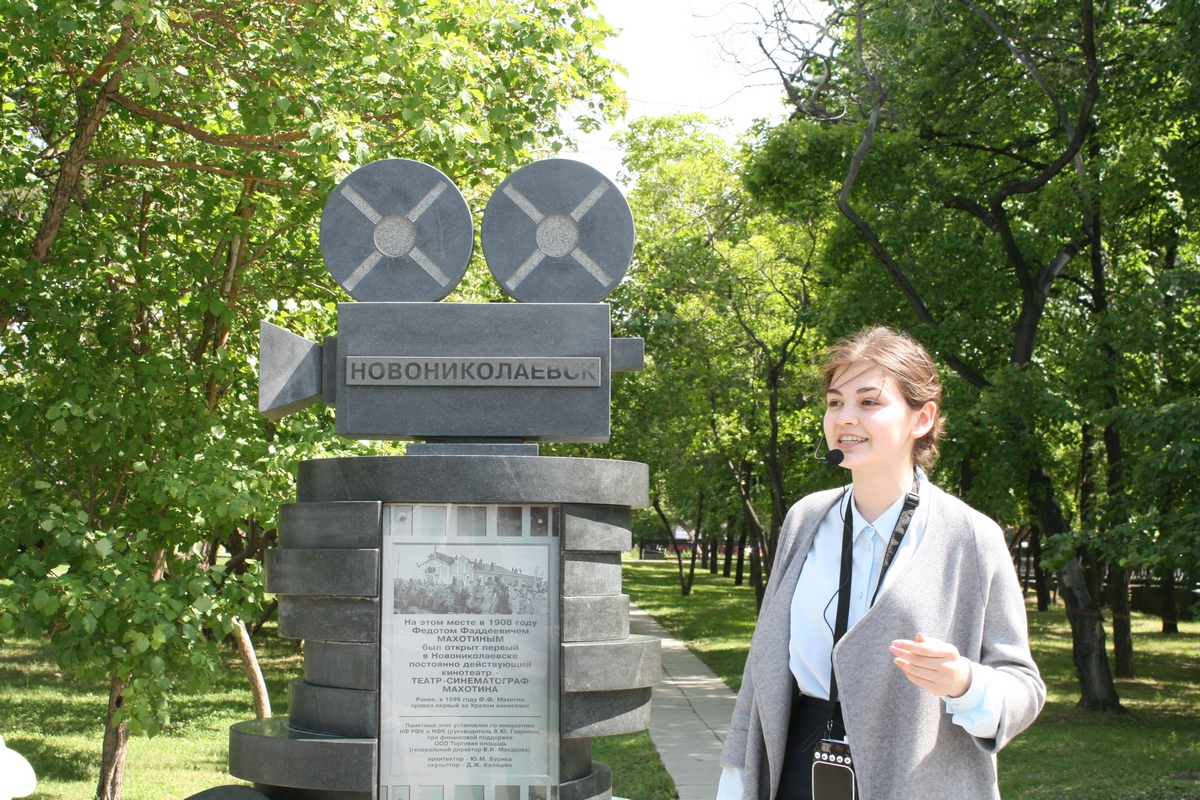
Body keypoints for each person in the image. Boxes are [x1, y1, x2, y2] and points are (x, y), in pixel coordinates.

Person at [718, 326, 1044, 800]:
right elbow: (762, 668)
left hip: (916, 777)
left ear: (922, 418)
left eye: (869, 402)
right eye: (835, 402)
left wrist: (965, 683)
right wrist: (736, 777)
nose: (845, 417)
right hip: (797, 769)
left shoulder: (971, 537)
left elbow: (1024, 687)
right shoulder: (805, 519)